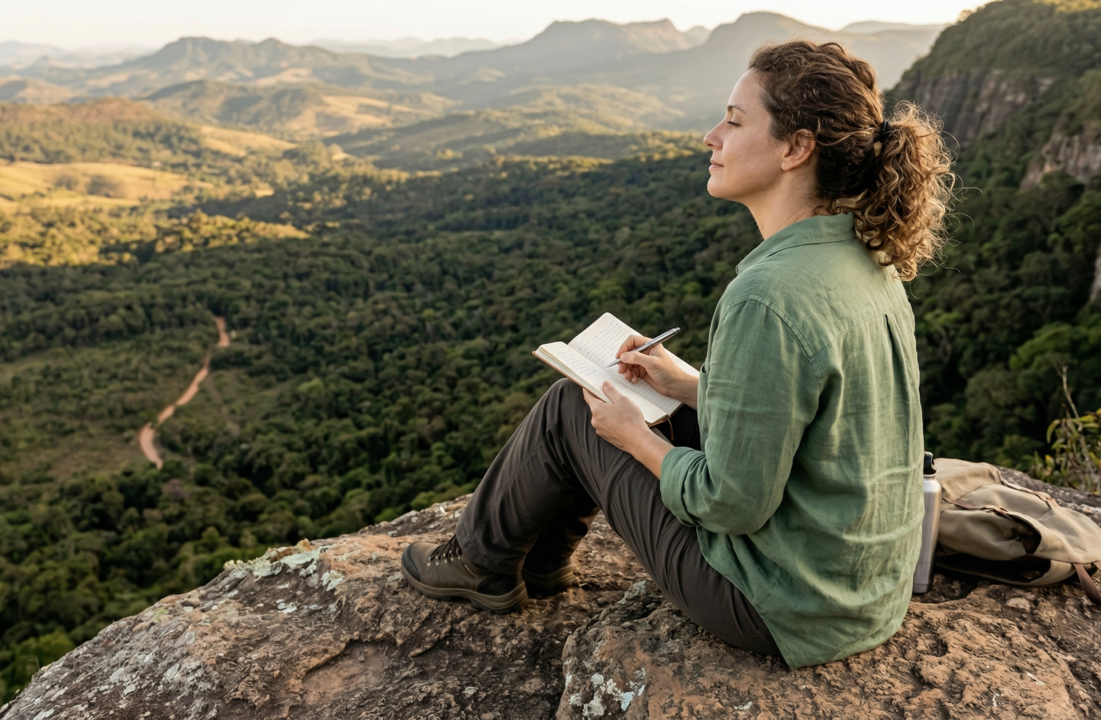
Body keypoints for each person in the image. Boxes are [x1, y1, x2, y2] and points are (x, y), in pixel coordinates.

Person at [400, 39, 955, 668]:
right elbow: (814, 413)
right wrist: (686, 384)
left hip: (779, 605)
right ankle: (542, 564)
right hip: (862, 593)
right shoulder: (864, 259)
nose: (710, 136)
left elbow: (731, 504)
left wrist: (636, 437)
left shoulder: (767, 295)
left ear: (796, 148)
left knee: (572, 408)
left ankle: (482, 563)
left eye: (735, 122)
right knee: (617, 399)